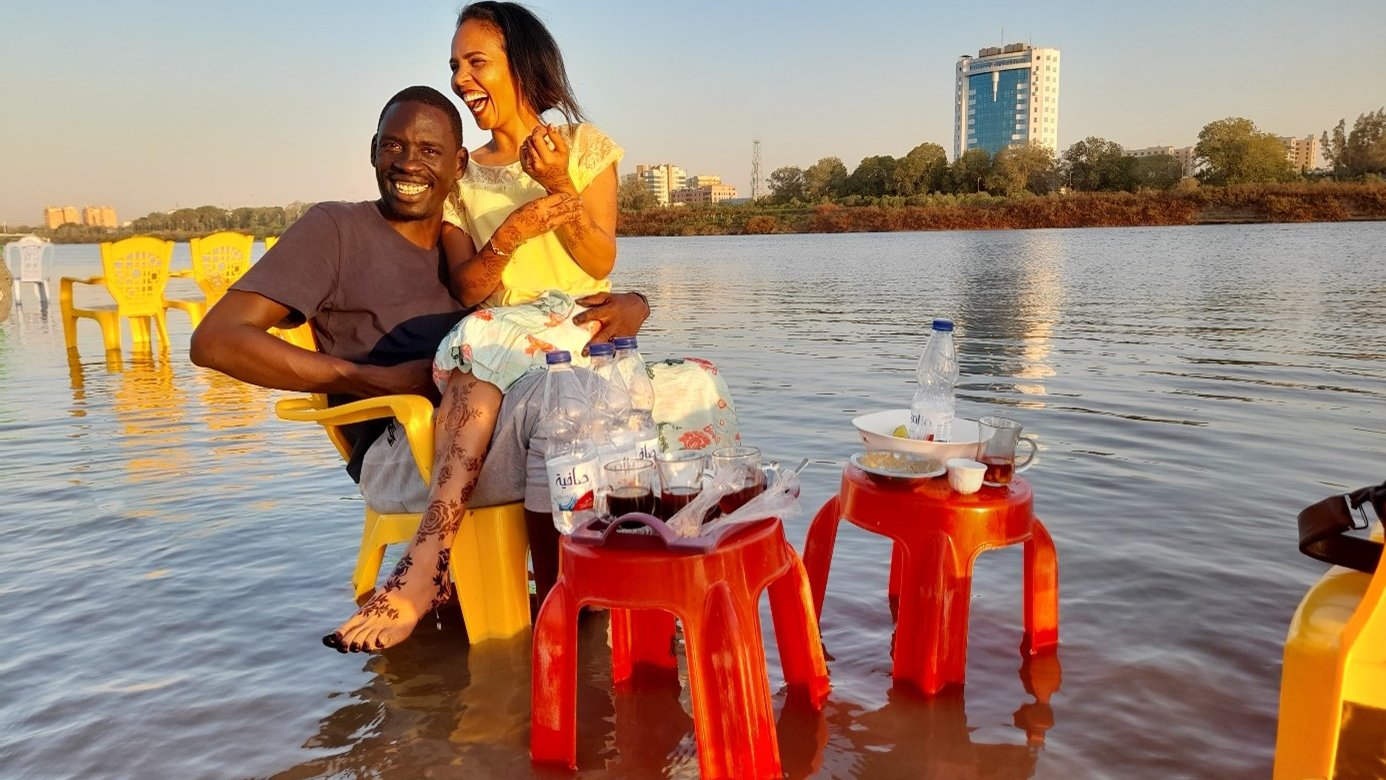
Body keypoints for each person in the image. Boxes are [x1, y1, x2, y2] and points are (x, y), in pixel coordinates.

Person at [189, 85, 650, 653]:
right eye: (394, 147)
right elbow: (215, 341)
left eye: (430, 152)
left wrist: (634, 305)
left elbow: (550, 318)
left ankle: (624, 605)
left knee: (635, 394)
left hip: (499, 437)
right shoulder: (336, 229)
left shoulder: (471, 256)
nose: (409, 164)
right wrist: (364, 378)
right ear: (374, 151)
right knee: (566, 401)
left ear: (460, 165)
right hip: (399, 449)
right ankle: (563, 617)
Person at [430, 2, 621, 396]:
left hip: (584, 333)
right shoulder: (461, 175)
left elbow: (601, 260)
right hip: (507, 346)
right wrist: (512, 232)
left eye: (476, 62)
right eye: (454, 66)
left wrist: (559, 183)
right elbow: (466, 289)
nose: (459, 79)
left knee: (700, 383)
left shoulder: (584, 147)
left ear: (520, 64)